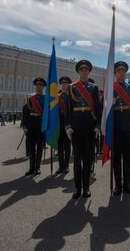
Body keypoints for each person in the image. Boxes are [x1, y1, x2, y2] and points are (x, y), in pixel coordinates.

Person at [65, 60, 102, 199]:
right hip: (75, 127)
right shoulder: (71, 87)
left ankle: (86, 187)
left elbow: (97, 108)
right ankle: (77, 188)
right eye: (82, 70)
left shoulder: (94, 87)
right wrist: (67, 126)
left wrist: (98, 125)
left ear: (89, 72)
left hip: (89, 126)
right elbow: (68, 108)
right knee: (77, 159)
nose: (84, 72)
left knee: (87, 159)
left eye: (86, 70)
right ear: (78, 72)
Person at [112, 61, 130, 195]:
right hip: (115, 126)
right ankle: (118, 185)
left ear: (125, 73)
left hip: (128, 125)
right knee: (116, 157)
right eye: (118, 70)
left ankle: (127, 185)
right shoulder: (110, 88)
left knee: (128, 157)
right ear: (115, 73)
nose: (121, 73)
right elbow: (103, 108)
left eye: (123, 70)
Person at [21, 78, 47, 176]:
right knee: (31, 148)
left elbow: (48, 113)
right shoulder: (30, 98)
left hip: (41, 125)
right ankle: (31, 167)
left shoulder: (46, 98)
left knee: (39, 147)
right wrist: (24, 125)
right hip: (31, 125)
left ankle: (37, 167)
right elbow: (26, 113)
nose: (38, 86)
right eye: (36, 85)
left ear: (43, 87)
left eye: (40, 85)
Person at [56, 76, 72, 174]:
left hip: (68, 123)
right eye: (62, 83)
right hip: (59, 123)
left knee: (67, 146)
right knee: (59, 146)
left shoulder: (72, 95)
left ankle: (66, 166)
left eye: (66, 83)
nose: (64, 84)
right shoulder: (57, 96)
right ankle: (60, 166)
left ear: (68, 84)